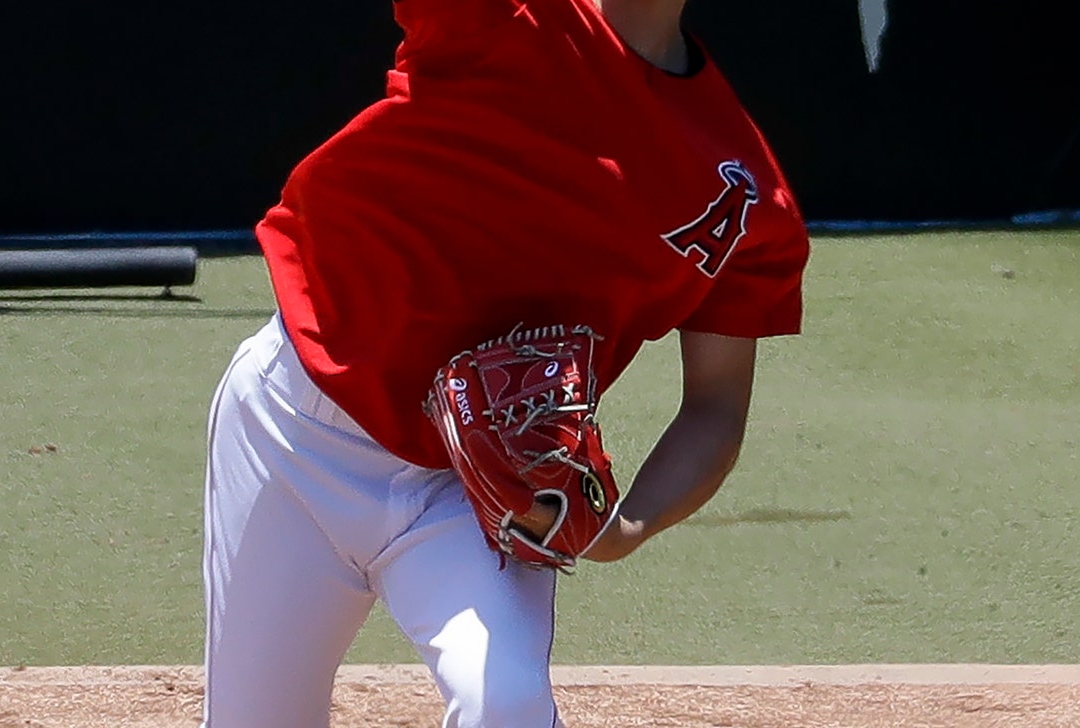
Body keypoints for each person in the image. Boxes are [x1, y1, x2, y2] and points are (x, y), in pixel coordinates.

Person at [201, 0, 811, 725]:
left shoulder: (744, 191)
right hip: (293, 431)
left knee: (508, 707)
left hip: (481, 493)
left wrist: (627, 527)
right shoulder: (500, 16)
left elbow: (715, 407)